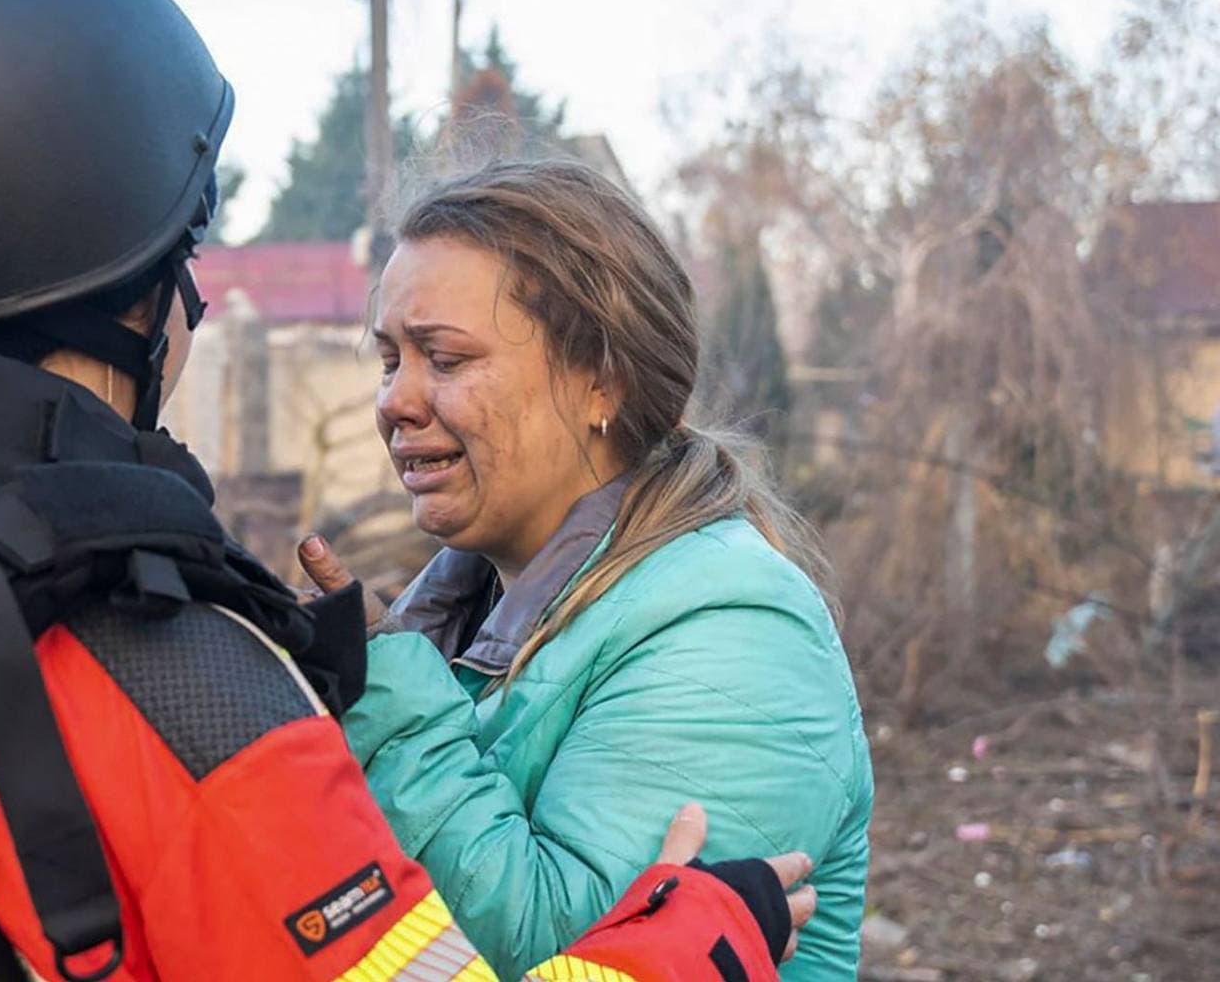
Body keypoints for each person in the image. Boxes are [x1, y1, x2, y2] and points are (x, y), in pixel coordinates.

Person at [0, 0, 810, 982]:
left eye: (444, 356)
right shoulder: (160, 678)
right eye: (187, 262)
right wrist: (694, 938)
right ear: (135, 297)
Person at [298, 159, 874, 980]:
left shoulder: (736, 632)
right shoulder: (459, 618)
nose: (394, 400)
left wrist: (386, 703)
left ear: (603, 381)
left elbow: (573, 953)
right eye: (391, 360)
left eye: (445, 359)